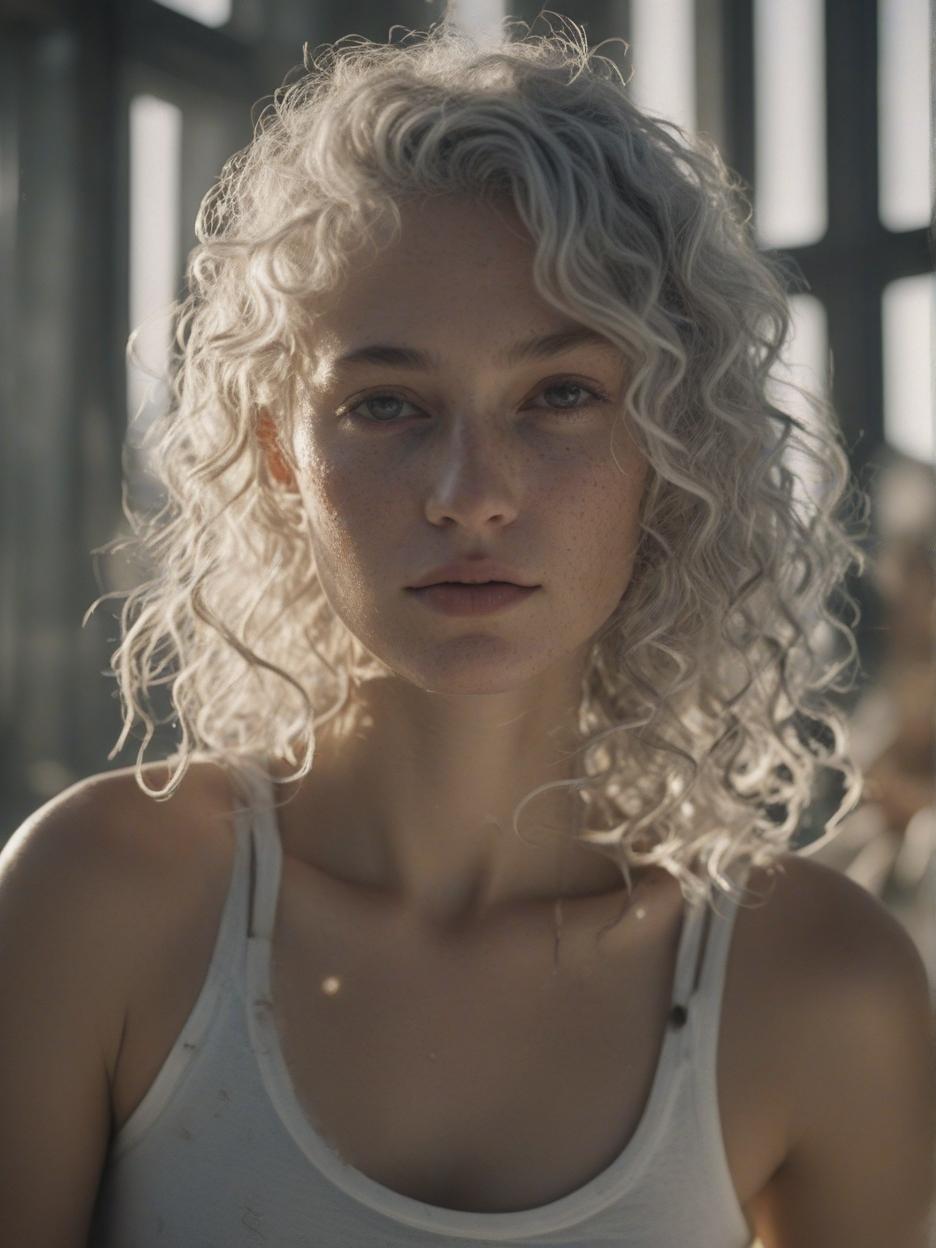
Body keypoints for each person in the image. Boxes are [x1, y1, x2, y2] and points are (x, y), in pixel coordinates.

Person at [2, 14, 934, 1248]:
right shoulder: (98, 900)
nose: (470, 490)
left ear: (670, 445)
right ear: (284, 453)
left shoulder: (820, 987)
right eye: (387, 403)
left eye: (559, 395)